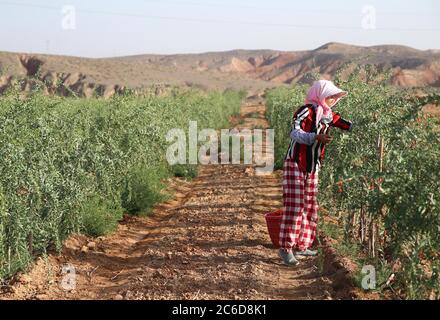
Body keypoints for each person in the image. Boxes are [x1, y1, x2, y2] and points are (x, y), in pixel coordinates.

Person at [279, 80, 353, 266]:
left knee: (310, 206)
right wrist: (315, 137)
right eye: (330, 96)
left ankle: (303, 245)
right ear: (320, 95)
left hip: (313, 166)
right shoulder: (306, 110)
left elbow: (348, 125)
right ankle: (286, 247)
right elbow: (294, 133)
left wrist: (372, 121)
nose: (334, 100)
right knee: (295, 206)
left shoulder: (329, 116)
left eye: (336, 97)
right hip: (296, 163)